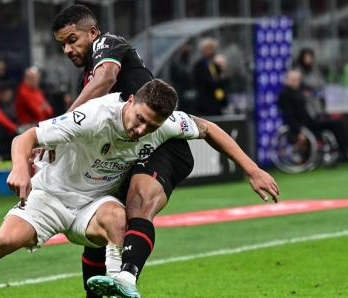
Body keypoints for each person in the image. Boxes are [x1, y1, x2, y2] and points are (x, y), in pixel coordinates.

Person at [51, 5, 279, 298]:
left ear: (92, 32)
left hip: (164, 144)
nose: (68, 49)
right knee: (99, 227)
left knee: (137, 203)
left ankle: (128, 278)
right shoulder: (88, 81)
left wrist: (253, 169)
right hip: (128, 152)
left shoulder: (107, 45)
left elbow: (108, 78)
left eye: (72, 39)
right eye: (62, 45)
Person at [0, 79, 198, 297]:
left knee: (118, 217)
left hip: (92, 205)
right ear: (130, 102)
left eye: (151, 125)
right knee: (4, 241)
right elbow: (26, 137)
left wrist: (243, 165)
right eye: (140, 119)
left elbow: (208, 129)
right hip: (50, 196)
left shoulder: (164, 123)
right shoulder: (94, 115)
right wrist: (21, 169)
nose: (142, 130)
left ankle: (120, 288)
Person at [278, 70, 348, 161]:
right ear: (286, 80)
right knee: (337, 124)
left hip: (311, 121)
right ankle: (344, 151)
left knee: (338, 123)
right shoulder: (285, 95)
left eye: (297, 79)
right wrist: (299, 130)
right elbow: (289, 116)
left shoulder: (298, 92)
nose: (296, 82)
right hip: (304, 126)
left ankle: (343, 149)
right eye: (293, 79)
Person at [193, 38, 229, 116]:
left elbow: (224, 78)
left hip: (217, 101)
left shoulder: (213, 64)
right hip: (206, 102)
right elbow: (208, 82)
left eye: (213, 49)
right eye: (209, 49)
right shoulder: (200, 65)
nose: (211, 51)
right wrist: (219, 80)